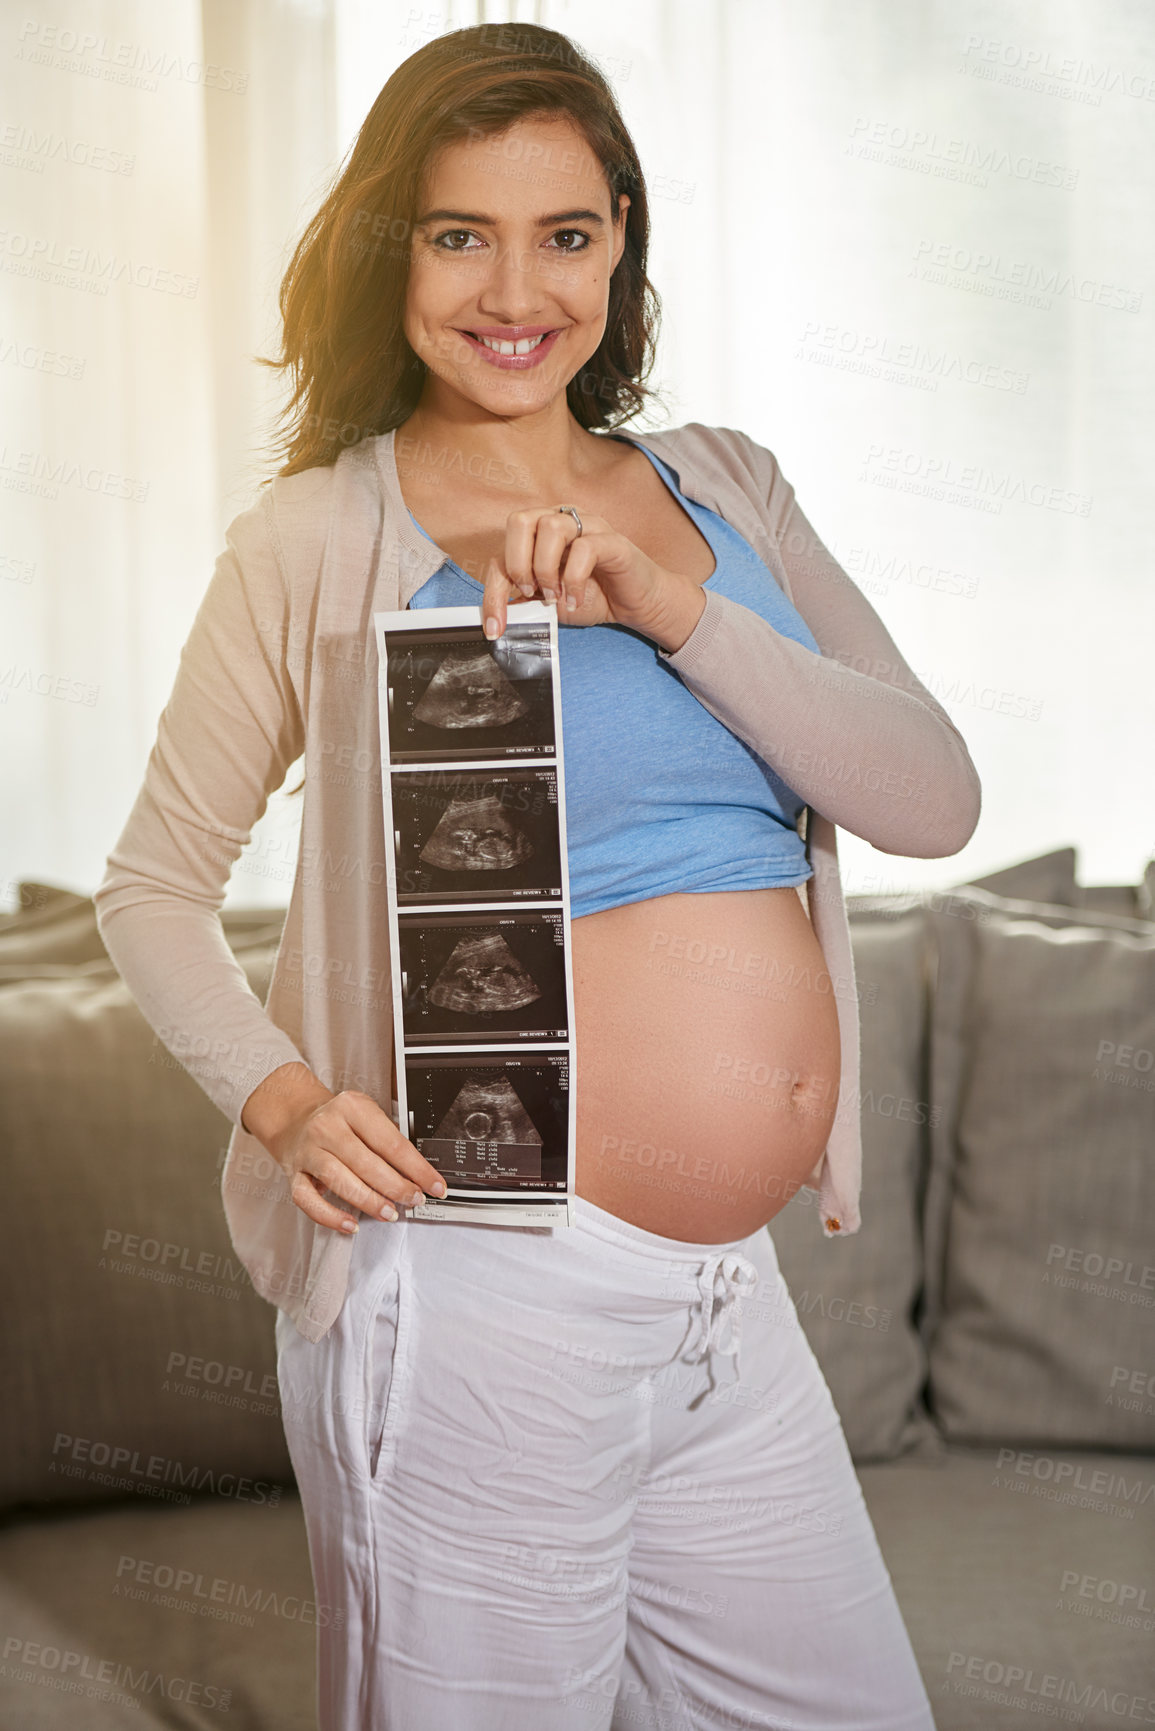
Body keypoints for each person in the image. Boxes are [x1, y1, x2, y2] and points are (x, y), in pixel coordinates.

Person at [95, 22, 980, 1731]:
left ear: (621, 242)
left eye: (565, 234)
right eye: (459, 235)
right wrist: (281, 1102)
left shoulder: (724, 488)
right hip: (481, 1293)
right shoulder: (313, 543)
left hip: (728, 1300)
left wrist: (668, 608)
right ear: (391, 251)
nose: (518, 288)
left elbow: (927, 794)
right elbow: (151, 886)